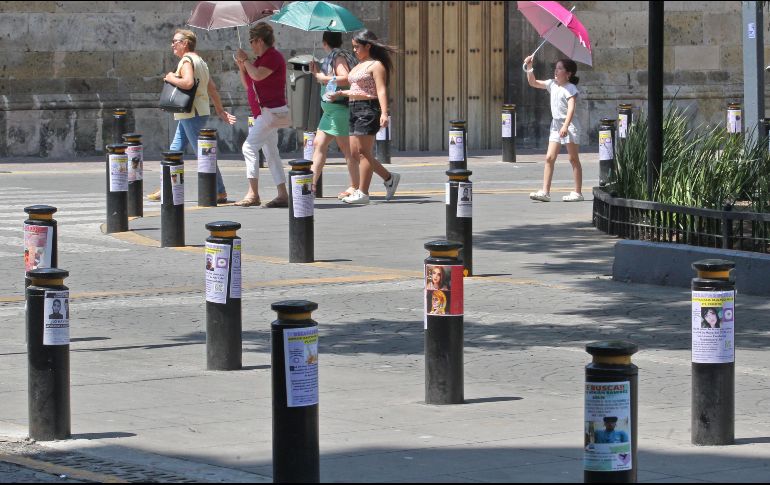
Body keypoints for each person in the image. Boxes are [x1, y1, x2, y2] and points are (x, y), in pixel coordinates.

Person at [148, 29, 236, 203]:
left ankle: (219, 190)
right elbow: (212, 88)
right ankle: (166, 186)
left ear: (185, 43)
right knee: (175, 149)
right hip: (195, 112)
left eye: (175, 41)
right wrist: (219, 110)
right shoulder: (200, 62)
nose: (172, 44)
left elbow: (188, 83)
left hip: (191, 112)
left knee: (203, 153)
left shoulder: (187, 60)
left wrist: (170, 77)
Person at [328, 30, 400, 205]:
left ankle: (363, 192)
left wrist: (384, 113)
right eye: (353, 47)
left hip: (367, 109)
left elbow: (380, 90)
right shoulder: (359, 64)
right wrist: (341, 93)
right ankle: (389, 178)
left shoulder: (376, 65)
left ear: (368, 46)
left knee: (363, 152)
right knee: (355, 152)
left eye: (357, 47)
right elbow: (357, 88)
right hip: (353, 108)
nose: (354, 50)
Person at [233, 22, 289, 208]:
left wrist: (246, 60)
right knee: (271, 152)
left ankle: (253, 193)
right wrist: (242, 66)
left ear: (258, 40)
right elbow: (249, 84)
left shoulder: (272, 57)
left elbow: (257, 75)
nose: (250, 46)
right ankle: (282, 193)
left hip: (269, 111)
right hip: (264, 112)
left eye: (251, 41)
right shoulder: (260, 60)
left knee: (248, 148)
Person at [524, 56, 584, 203]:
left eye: (559, 68)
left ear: (568, 73)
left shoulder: (571, 88)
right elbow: (533, 82)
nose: (556, 71)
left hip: (569, 125)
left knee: (573, 158)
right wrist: (529, 67)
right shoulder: (552, 84)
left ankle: (577, 192)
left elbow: (571, 109)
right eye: (555, 68)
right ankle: (545, 191)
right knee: (549, 158)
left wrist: (565, 126)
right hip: (556, 125)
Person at [309, 32, 361, 200]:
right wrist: (317, 73)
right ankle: (311, 185)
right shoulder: (337, 55)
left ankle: (355, 186)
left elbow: (345, 77)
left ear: (325, 43)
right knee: (319, 145)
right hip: (331, 111)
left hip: (339, 109)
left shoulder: (337, 56)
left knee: (348, 150)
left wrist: (321, 76)